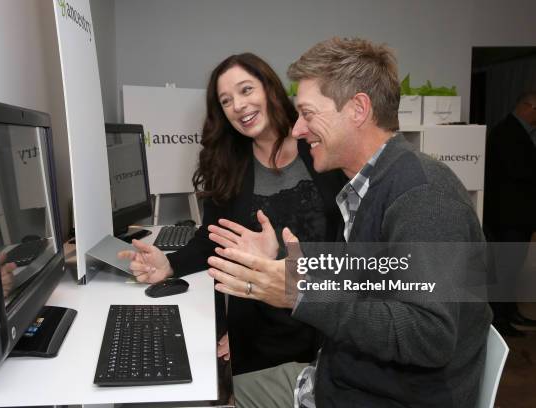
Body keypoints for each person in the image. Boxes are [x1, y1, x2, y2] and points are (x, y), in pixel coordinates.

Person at [207, 37, 492, 407]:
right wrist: (286, 257)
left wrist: (301, 294)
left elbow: (429, 335)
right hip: (343, 377)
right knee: (214, 389)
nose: (297, 129)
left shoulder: (424, 196)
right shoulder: (375, 184)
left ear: (357, 109)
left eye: (308, 114)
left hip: (380, 397)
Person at [118, 53, 346, 375]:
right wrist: (170, 264)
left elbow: (350, 240)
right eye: (226, 101)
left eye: (246, 90)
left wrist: (279, 259)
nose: (238, 105)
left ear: (269, 89)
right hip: (258, 329)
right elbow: (213, 239)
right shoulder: (227, 163)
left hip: (325, 319)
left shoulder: (320, 148)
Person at [484, 91, 536, 336]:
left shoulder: (516, 132)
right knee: (505, 268)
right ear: (529, 107)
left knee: (511, 268)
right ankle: (499, 320)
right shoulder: (506, 133)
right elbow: (517, 174)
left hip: (516, 216)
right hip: (508, 217)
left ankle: (509, 311)